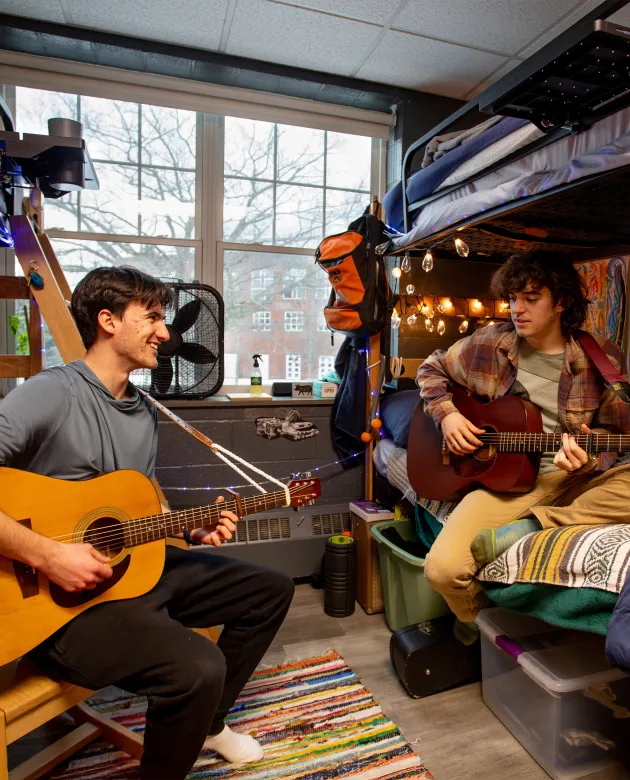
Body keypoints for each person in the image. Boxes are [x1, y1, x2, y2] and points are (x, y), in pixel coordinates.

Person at [0, 266, 294, 779]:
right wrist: (47, 554)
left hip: (129, 575)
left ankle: (209, 723)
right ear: (108, 321)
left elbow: (137, 506)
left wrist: (188, 528)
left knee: (269, 588)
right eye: (153, 317)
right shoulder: (50, 394)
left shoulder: (142, 409)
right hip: (60, 604)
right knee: (198, 668)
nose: (166, 331)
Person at [416, 250, 630, 623]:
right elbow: (431, 369)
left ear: (561, 302)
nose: (517, 309)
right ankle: (476, 626)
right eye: (513, 299)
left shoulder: (604, 358)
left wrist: (593, 458)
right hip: (508, 483)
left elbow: (615, 431)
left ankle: (533, 526)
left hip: (576, 479)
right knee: (442, 570)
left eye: (530, 299)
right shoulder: (489, 343)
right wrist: (447, 416)